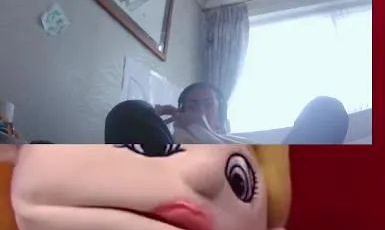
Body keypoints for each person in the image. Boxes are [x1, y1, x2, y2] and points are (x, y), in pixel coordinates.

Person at [104, 82, 351, 147]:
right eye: (193, 105)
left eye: (207, 104)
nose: (200, 109)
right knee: (130, 111)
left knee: (326, 108)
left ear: (222, 114)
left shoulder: (243, 144)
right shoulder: (169, 141)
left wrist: (202, 129)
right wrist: (151, 115)